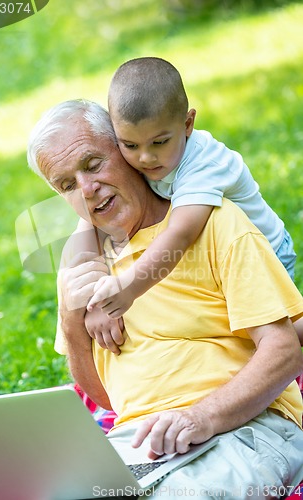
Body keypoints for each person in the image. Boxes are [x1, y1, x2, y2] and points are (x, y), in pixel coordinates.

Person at [27, 99, 303, 499]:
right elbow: (106, 397)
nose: (87, 190)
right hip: (140, 444)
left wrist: (201, 417)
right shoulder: (85, 266)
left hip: (245, 426)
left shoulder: (213, 220)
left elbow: (284, 351)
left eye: (93, 164)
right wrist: (71, 318)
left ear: (126, 152)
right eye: (67, 184)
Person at [86, 57, 297, 328]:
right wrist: (88, 292)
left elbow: (181, 234)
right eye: (129, 144)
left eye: (159, 142)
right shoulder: (145, 158)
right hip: (214, 257)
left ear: (188, 124)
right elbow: (89, 219)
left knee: (268, 331)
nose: (146, 157)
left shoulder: (203, 164)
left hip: (264, 253)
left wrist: (129, 286)